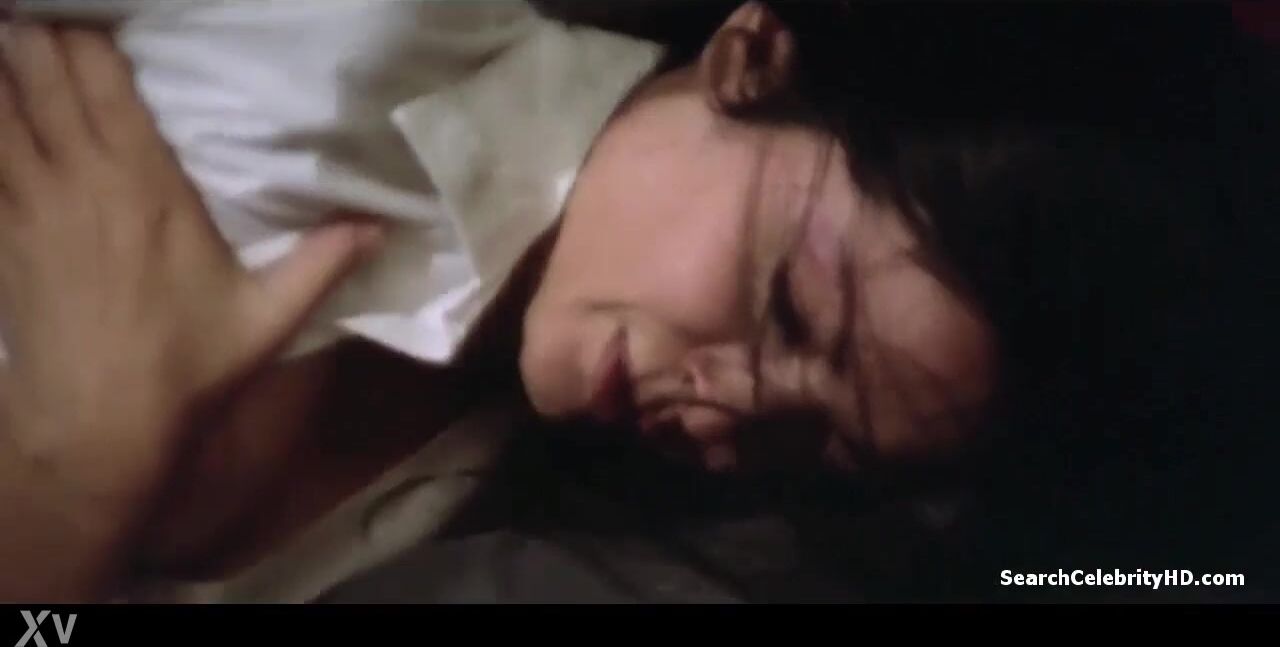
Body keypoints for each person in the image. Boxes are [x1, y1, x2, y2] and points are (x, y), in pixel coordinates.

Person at [2, 0, 1266, 602]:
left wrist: (72, 489)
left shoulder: (481, 517)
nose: (723, 412)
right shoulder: (337, 28)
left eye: (805, 440)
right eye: (789, 312)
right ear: (752, 56)